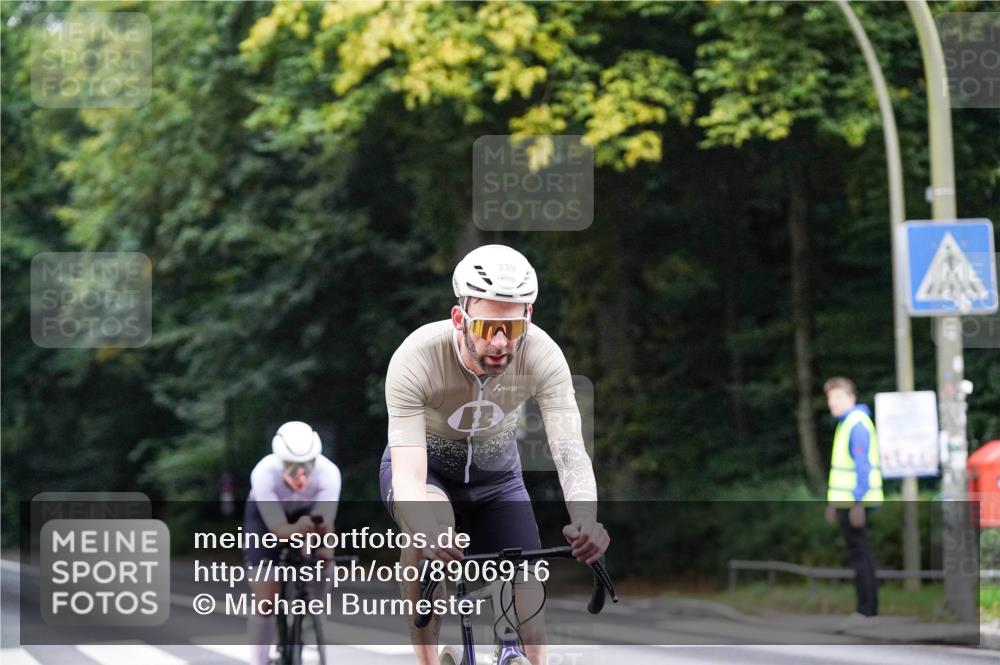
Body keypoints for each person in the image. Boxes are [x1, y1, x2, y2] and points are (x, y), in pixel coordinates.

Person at [380, 244, 610, 665]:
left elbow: (570, 452)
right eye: (487, 328)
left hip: (497, 478)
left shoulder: (543, 355)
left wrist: (586, 520)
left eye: (513, 329)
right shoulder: (416, 359)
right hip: (429, 473)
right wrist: (428, 531)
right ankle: (428, 659)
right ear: (459, 319)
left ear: (529, 320)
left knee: (532, 625)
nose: (502, 343)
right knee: (428, 530)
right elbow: (409, 478)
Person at [243, 421, 342, 665]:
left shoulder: (329, 473)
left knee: (326, 546)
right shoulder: (264, 473)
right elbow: (277, 529)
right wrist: (295, 529)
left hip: (307, 515)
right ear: (279, 460)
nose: (300, 472)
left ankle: (313, 611)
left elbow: (325, 523)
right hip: (266, 520)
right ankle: (260, 660)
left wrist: (321, 546)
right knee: (265, 601)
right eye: (291, 465)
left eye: (308, 464)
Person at [823, 377, 883, 630]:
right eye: (829, 399)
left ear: (851, 398)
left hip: (856, 503)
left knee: (861, 557)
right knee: (859, 556)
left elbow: (862, 468)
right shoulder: (847, 423)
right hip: (847, 503)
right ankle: (866, 610)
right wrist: (834, 504)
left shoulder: (856, 424)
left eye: (837, 398)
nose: (832, 403)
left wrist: (857, 503)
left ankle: (866, 611)